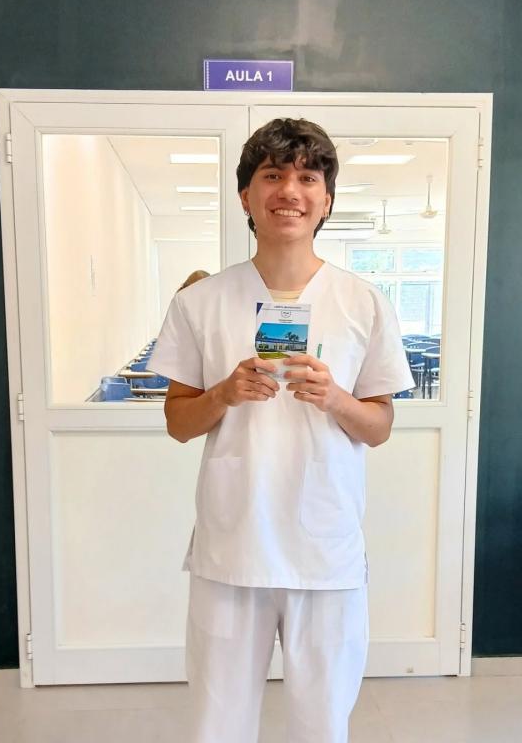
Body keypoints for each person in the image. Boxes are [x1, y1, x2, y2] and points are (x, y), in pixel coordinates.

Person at [147, 118, 415, 743]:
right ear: (246, 195)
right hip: (232, 546)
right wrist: (223, 393)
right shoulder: (200, 302)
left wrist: (336, 399)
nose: (289, 190)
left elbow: (378, 427)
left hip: (324, 547)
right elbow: (178, 423)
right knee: (217, 724)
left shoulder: (363, 302)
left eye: (307, 177)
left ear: (326, 200)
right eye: (272, 175)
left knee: (322, 723)